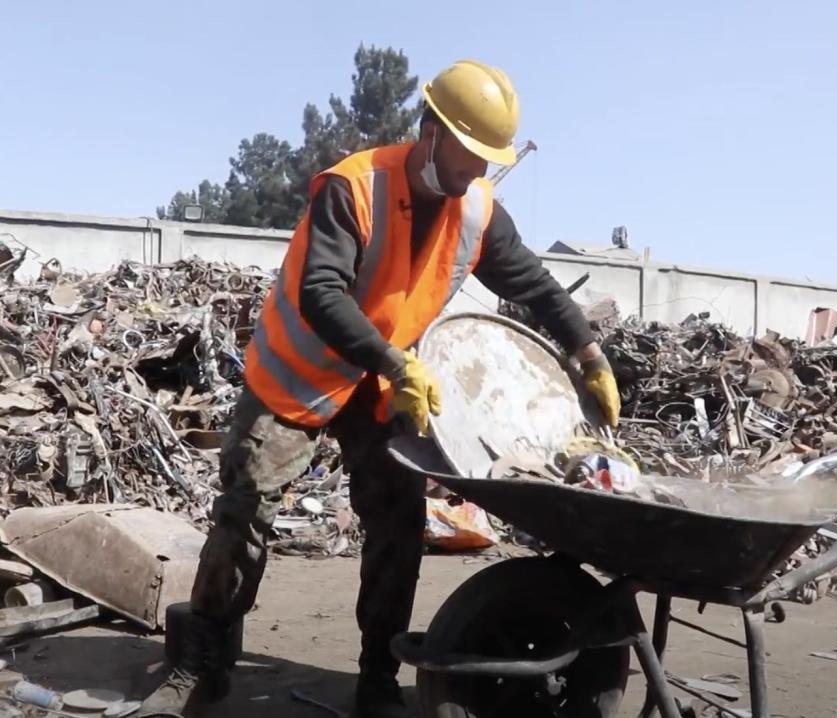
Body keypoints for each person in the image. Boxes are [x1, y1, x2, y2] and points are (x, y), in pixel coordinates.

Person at [137, 59, 621, 718]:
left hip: (380, 384)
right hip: (300, 371)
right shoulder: (353, 188)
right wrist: (397, 364)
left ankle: (375, 680)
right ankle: (201, 666)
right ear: (430, 128)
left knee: (399, 520)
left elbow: (534, 285)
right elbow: (320, 293)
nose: (478, 169)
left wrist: (588, 352)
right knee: (245, 513)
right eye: (469, 152)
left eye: (489, 156)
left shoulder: (477, 210)